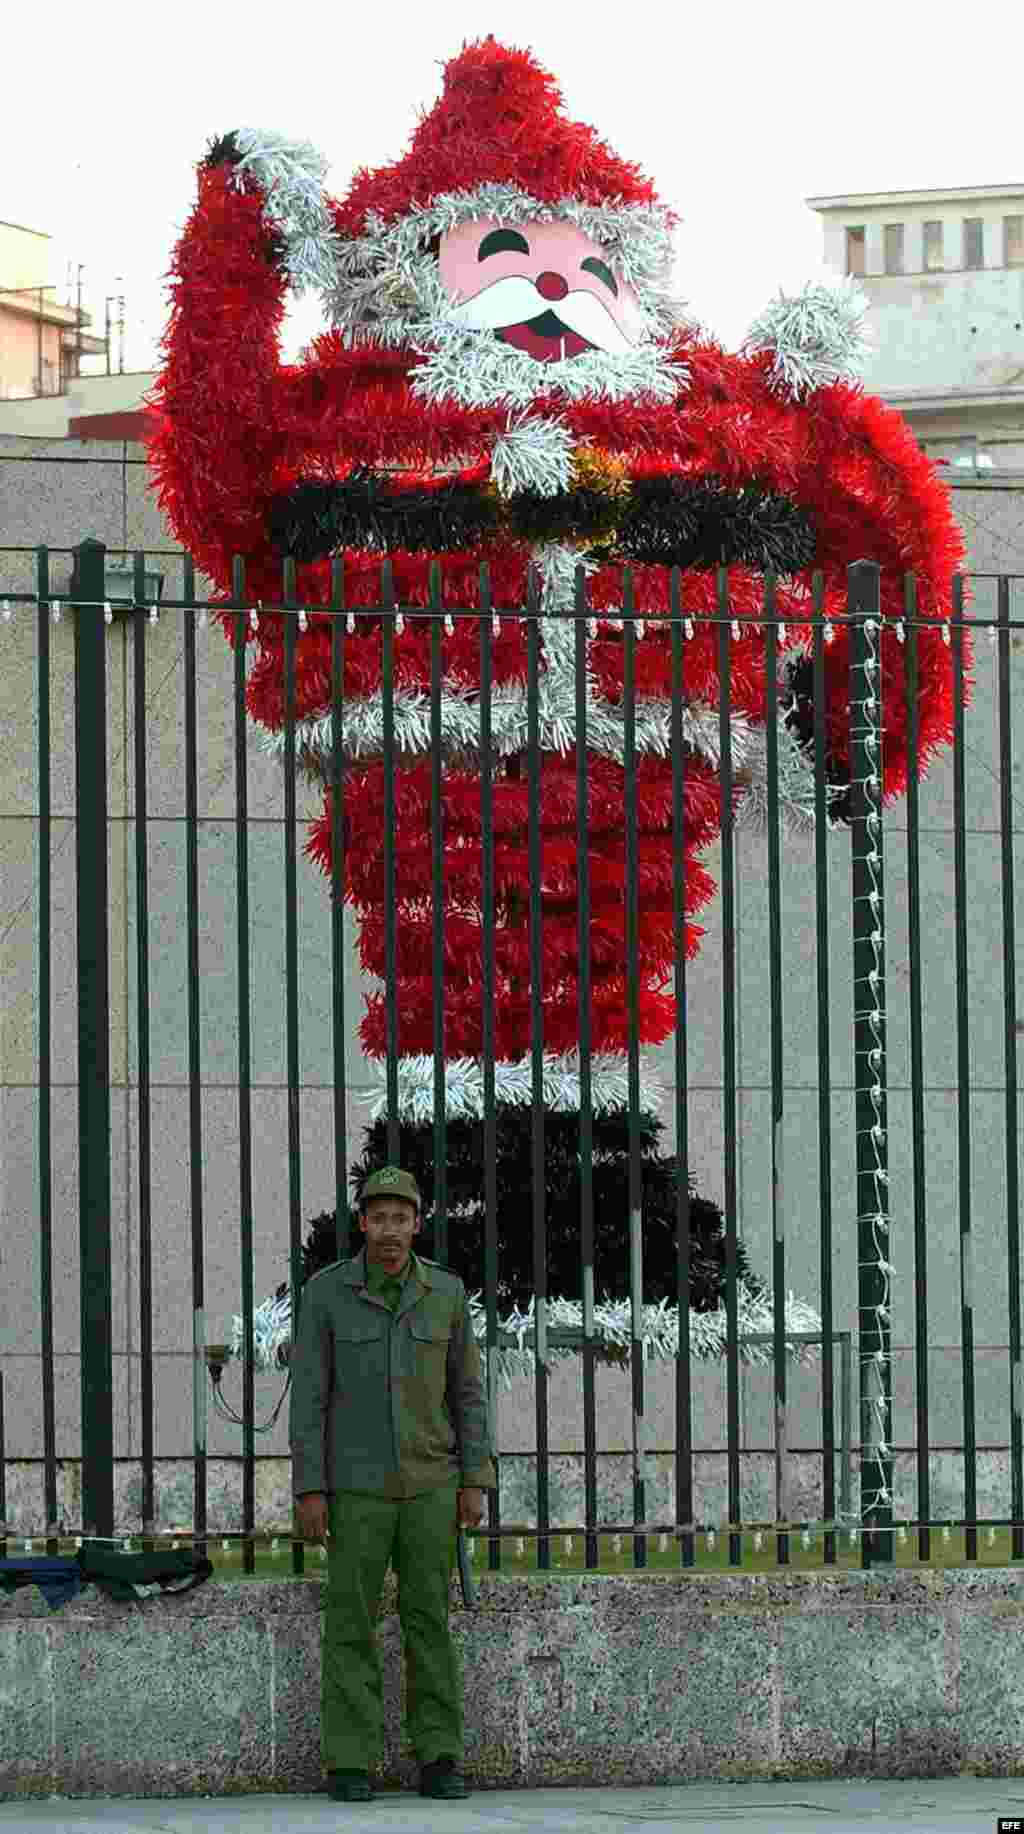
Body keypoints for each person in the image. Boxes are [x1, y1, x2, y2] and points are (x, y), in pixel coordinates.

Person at [289, 1164, 497, 1804]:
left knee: (429, 1620)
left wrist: (475, 1478)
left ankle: (439, 1755)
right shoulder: (326, 1294)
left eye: (400, 1218)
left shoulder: (446, 1293)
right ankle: (350, 1761)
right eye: (378, 1217)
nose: (389, 1230)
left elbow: (468, 1394)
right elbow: (309, 1401)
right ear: (362, 1223)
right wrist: (310, 1489)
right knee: (349, 1622)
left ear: (417, 1224)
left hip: (432, 1484)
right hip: (355, 1490)